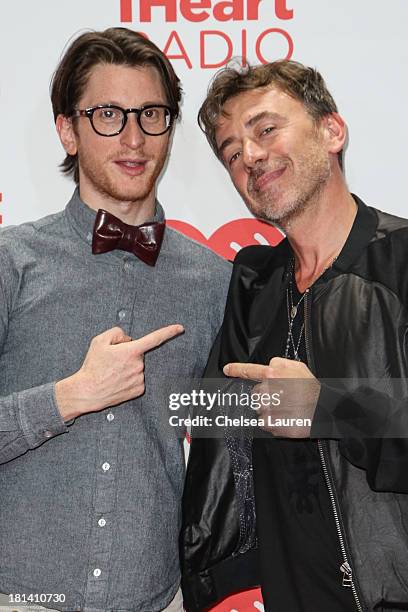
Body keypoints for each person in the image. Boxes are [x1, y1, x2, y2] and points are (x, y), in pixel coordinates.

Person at [0, 28, 230, 612]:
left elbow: (234, 435)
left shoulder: (214, 280)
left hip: (157, 599)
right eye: (107, 114)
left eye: (151, 114)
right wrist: (70, 396)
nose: (133, 137)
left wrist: (311, 403)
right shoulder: (10, 261)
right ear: (67, 130)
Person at [180, 60, 408, 612]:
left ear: (332, 130)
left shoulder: (400, 262)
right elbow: (221, 452)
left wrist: (328, 409)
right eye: (232, 153)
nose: (250, 157)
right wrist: (214, 579)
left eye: (265, 129)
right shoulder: (253, 286)